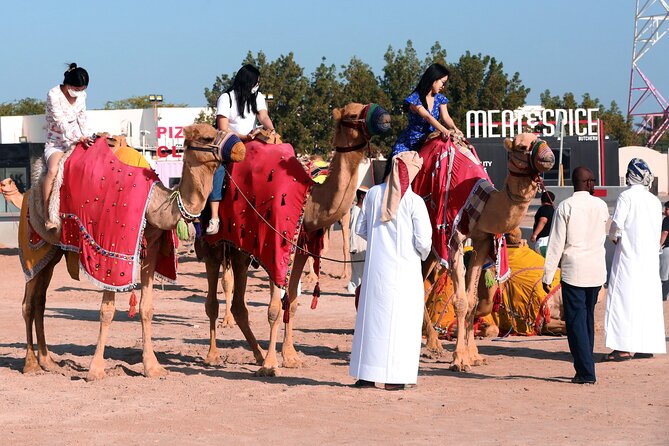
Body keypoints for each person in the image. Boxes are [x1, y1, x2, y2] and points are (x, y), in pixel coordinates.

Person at [349, 151, 432, 391]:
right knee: (402, 323)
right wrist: (417, 253)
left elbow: (361, 230)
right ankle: (395, 377)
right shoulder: (414, 201)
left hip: (375, 271)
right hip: (405, 271)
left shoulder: (373, 194)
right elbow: (424, 241)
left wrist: (379, 239)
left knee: (371, 323)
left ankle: (366, 375)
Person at [542, 167, 609, 384]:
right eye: (593, 180)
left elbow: (556, 244)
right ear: (588, 183)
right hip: (596, 271)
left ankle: (585, 372)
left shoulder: (565, 206)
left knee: (576, 323)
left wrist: (547, 275)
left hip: (574, 272)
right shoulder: (600, 206)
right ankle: (586, 364)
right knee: (587, 320)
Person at [604, 158, 667, 361]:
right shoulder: (654, 200)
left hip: (628, 258)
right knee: (647, 302)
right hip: (649, 261)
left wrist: (613, 239)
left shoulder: (626, 197)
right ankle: (645, 346)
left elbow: (616, 226)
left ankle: (622, 348)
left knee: (622, 301)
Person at [206, 64, 276, 235]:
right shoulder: (226, 98)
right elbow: (223, 128)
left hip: (252, 140)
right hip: (229, 141)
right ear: (247, 81)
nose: (257, 85)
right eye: (256, 82)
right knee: (219, 169)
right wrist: (243, 137)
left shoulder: (257, 96)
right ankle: (214, 217)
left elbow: (263, 116)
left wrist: (271, 129)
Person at [43, 63, 94, 229]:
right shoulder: (53, 95)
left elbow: (83, 118)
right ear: (68, 84)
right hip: (57, 142)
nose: (79, 92)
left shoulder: (82, 96)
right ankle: (47, 214)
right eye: (77, 89)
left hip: (79, 139)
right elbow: (61, 123)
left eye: (82, 89)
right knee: (53, 171)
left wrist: (89, 137)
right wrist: (80, 138)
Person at [389, 63, 462, 162]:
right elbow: (428, 117)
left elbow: (446, 117)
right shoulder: (415, 99)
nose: (443, 87)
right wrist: (444, 130)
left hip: (430, 141)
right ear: (433, 79)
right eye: (442, 82)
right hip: (410, 144)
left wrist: (455, 129)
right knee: (401, 167)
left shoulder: (441, 99)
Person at [347, 186, 368, 295]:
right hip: (358, 246)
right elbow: (353, 231)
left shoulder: (361, 211)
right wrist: (353, 247)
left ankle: (355, 291)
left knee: (359, 271)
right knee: (359, 271)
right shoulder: (356, 211)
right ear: (361, 196)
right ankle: (354, 290)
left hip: (363, 245)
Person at [531, 191, 556, 257]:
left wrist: (535, 234)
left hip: (543, 242)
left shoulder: (543, 209)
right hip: (552, 241)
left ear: (542, 199)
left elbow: (543, 220)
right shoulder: (554, 210)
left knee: (543, 264)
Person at [660, 201, 669, 301]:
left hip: (667, 249)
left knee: (664, 274)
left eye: (667, 209)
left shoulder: (667, 220)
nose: (665, 211)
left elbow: (665, 233)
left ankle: (663, 295)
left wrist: (659, 245)